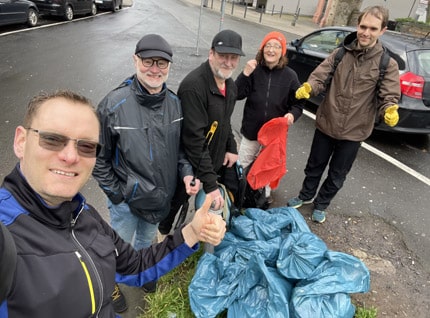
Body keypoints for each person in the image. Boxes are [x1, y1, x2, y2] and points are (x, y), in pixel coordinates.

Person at [0, 90, 225, 318]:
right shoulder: (6, 235)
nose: (70, 156)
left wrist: (192, 232)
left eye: (86, 146)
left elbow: (134, 266)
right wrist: (118, 195)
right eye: (53, 139)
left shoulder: (82, 214)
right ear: (21, 141)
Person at [92, 34, 200, 306]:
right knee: (117, 248)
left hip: (159, 199)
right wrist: (118, 195)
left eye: (162, 63)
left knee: (146, 239)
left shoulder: (175, 104)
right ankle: (110, 285)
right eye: (148, 61)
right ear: (135, 60)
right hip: (126, 203)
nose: (155, 69)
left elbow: (180, 151)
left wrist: (186, 173)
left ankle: (142, 272)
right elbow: (97, 158)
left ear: (169, 67)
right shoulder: (113, 105)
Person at [287, 6, 400, 223]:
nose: (366, 32)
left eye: (373, 28)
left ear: (382, 31)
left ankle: (321, 204)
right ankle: (306, 195)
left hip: (354, 132)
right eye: (363, 26)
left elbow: (389, 94)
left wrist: (389, 109)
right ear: (357, 26)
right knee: (314, 165)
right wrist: (310, 87)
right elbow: (321, 75)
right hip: (327, 122)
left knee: (338, 174)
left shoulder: (387, 64)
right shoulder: (340, 54)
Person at [158, 29, 245, 233]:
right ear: (211, 54)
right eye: (223, 56)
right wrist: (210, 183)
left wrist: (231, 147)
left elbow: (225, 122)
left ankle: (193, 228)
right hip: (187, 158)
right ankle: (163, 230)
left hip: (211, 155)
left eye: (233, 58)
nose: (228, 62)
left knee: (205, 195)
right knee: (177, 198)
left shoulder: (230, 86)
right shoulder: (194, 87)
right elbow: (193, 140)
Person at [235, 31, 304, 203]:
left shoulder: (290, 76)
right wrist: (244, 74)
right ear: (262, 48)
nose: (271, 50)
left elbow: (299, 104)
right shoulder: (254, 71)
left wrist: (292, 115)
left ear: (282, 52)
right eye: (268, 45)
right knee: (243, 164)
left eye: (276, 46)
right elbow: (236, 94)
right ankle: (238, 194)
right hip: (251, 131)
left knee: (268, 167)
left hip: (274, 136)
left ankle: (262, 198)